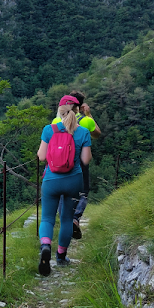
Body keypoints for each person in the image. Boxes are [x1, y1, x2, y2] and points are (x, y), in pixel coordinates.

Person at [37, 95, 92, 276]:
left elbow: (42, 157)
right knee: (67, 219)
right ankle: (61, 257)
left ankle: (45, 246)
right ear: (77, 113)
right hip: (73, 180)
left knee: (47, 218)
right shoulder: (83, 132)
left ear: (59, 112)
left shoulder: (48, 129)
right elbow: (85, 160)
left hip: (51, 180)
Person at [51, 90, 101, 238]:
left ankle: (65, 219)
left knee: (62, 191)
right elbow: (97, 133)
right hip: (80, 160)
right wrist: (88, 114)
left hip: (60, 160)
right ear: (80, 106)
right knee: (83, 191)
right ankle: (75, 218)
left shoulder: (56, 121)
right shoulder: (85, 121)